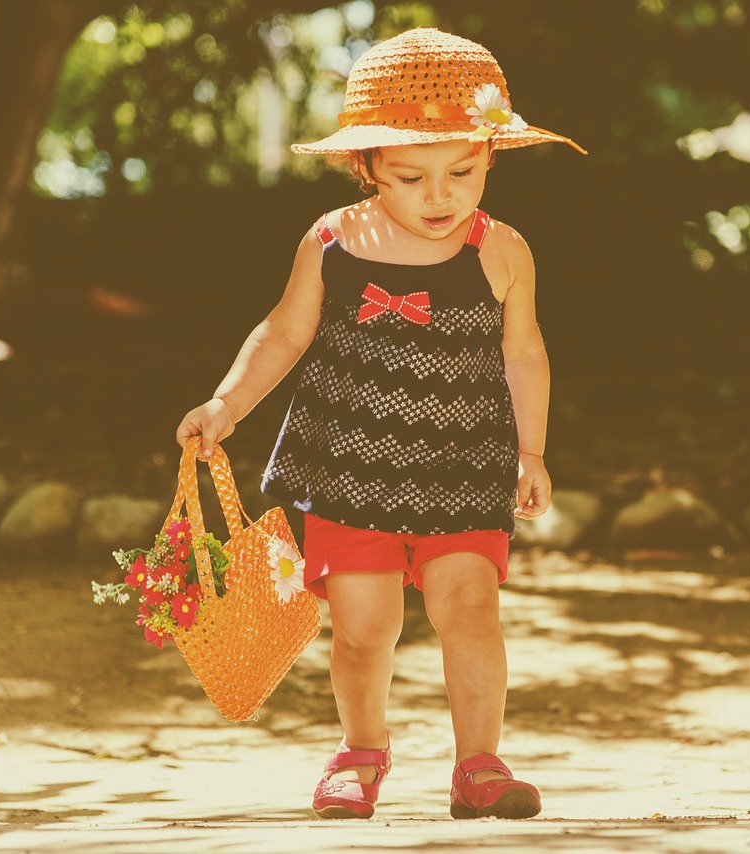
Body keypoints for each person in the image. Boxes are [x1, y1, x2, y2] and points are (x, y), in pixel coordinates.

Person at [175, 27, 584, 820]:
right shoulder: (333, 239)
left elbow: (524, 353)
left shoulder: (502, 250)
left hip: (464, 463)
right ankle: (361, 750)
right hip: (349, 465)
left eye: (462, 171)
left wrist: (531, 448)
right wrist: (226, 404)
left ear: (490, 157)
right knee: (363, 627)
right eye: (412, 175)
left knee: (469, 608)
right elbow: (283, 333)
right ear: (367, 169)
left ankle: (480, 765)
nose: (442, 195)